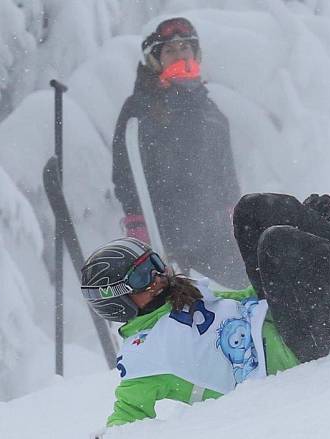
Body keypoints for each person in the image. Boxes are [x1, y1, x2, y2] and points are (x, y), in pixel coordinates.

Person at [81, 193, 330, 427]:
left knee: (253, 212)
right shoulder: (144, 363)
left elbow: (250, 299)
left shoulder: (185, 296)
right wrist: (289, 250)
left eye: (155, 262)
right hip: (297, 356)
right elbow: (124, 424)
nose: (160, 274)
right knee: (276, 245)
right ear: (120, 298)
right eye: (145, 273)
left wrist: (308, 236)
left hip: (290, 325)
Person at [111, 17, 246, 289]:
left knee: (243, 295)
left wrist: (236, 218)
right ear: (156, 60)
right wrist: (137, 220)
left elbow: (226, 177)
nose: (179, 54)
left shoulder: (212, 113)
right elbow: (125, 171)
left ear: (195, 53)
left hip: (215, 236)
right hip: (166, 234)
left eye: (184, 47)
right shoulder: (141, 108)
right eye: (169, 50)